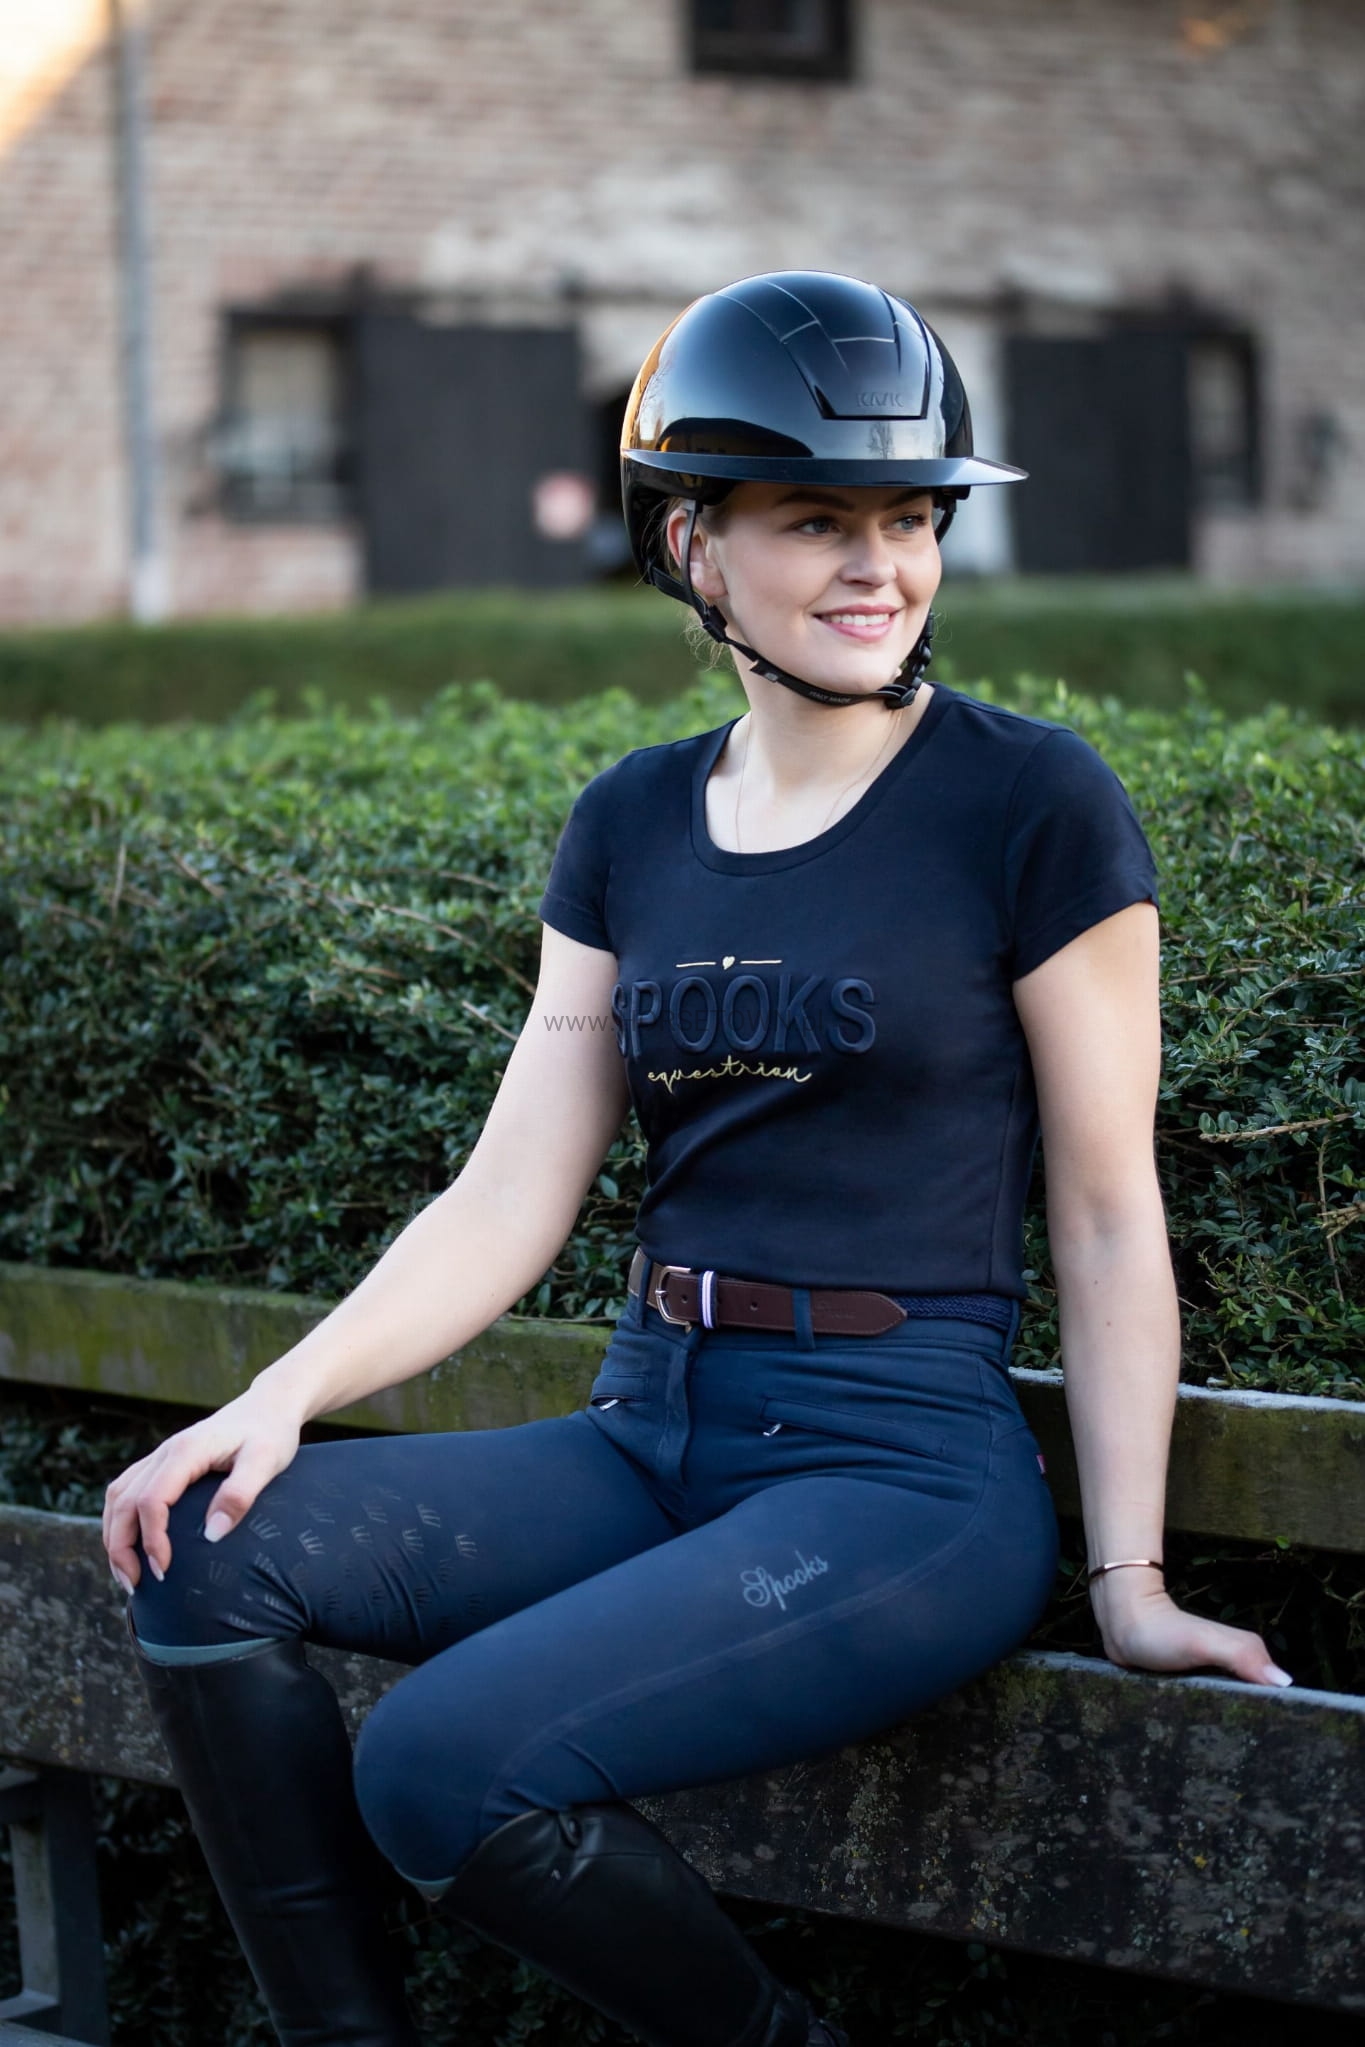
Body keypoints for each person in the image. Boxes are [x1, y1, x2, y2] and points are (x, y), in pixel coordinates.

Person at [102, 271, 1292, 2047]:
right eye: (817, 521)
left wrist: (1131, 1587)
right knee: (197, 1552)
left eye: (911, 519)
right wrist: (279, 1400)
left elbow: (1111, 1216)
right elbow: (510, 1189)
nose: (880, 567)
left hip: (894, 1476)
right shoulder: (632, 821)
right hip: (650, 1428)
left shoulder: (1027, 803)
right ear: (692, 547)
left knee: (438, 1765)